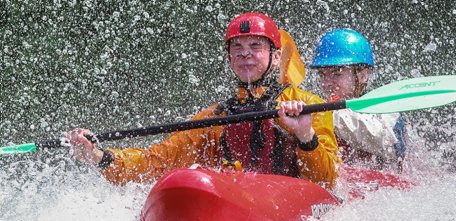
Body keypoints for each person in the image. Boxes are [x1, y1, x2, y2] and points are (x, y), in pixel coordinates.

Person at [65, 12, 341, 188]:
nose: (245, 54)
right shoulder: (214, 117)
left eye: (255, 46)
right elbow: (156, 160)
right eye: (237, 47)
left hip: (290, 201)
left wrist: (306, 135)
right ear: (229, 57)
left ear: (276, 56)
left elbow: (328, 182)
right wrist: (98, 156)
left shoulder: (308, 105)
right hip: (240, 199)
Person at [310, 29, 406, 172]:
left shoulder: (386, 112)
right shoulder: (319, 110)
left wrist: (322, 115)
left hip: (379, 190)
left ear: (363, 75)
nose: (327, 83)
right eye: (323, 75)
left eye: (337, 73)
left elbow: (387, 143)